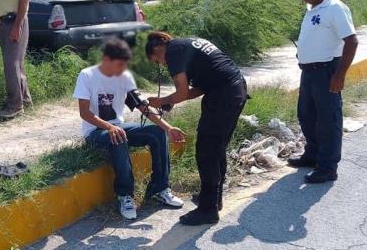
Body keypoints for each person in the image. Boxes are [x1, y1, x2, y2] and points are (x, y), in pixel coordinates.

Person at [73, 38, 186, 220]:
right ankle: (125, 195)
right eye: (119, 64)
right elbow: (85, 113)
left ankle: (160, 189)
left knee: (156, 133)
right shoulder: (87, 76)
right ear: (106, 60)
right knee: (119, 135)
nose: (122, 69)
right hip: (95, 131)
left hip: (119, 127)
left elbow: (142, 106)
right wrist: (110, 127)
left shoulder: (124, 76)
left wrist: (168, 127)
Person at [145, 32, 248, 226]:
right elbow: (198, 89)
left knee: (206, 152)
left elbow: (182, 92)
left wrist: (161, 100)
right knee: (216, 149)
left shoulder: (173, 51)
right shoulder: (187, 45)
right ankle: (213, 200)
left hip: (223, 96)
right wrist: (169, 101)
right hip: (234, 90)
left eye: (157, 60)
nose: (162, 65)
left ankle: (207, 210)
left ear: (158, 49)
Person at [287, 0, 358, 184]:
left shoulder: (335, 8)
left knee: (328, 120)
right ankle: (312, 155)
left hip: (327, 72)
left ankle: (327, 167)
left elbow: (352, 41)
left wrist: (340, 75)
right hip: (309, 72)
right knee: (306, 115)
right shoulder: (313, 9)